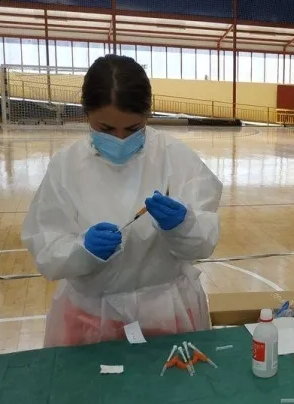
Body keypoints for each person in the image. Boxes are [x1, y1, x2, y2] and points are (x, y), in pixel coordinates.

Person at [21, 55, 223, 347]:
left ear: (148, 115)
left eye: (133, 129)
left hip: (167, 312)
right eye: (106, 129)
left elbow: (203, 244)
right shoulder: (66, 167)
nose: (119, 139)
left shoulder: (176, 158)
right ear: (87, 114)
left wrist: (184, 225)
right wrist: (81, 250)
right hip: (89, 317)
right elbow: (46, 249)